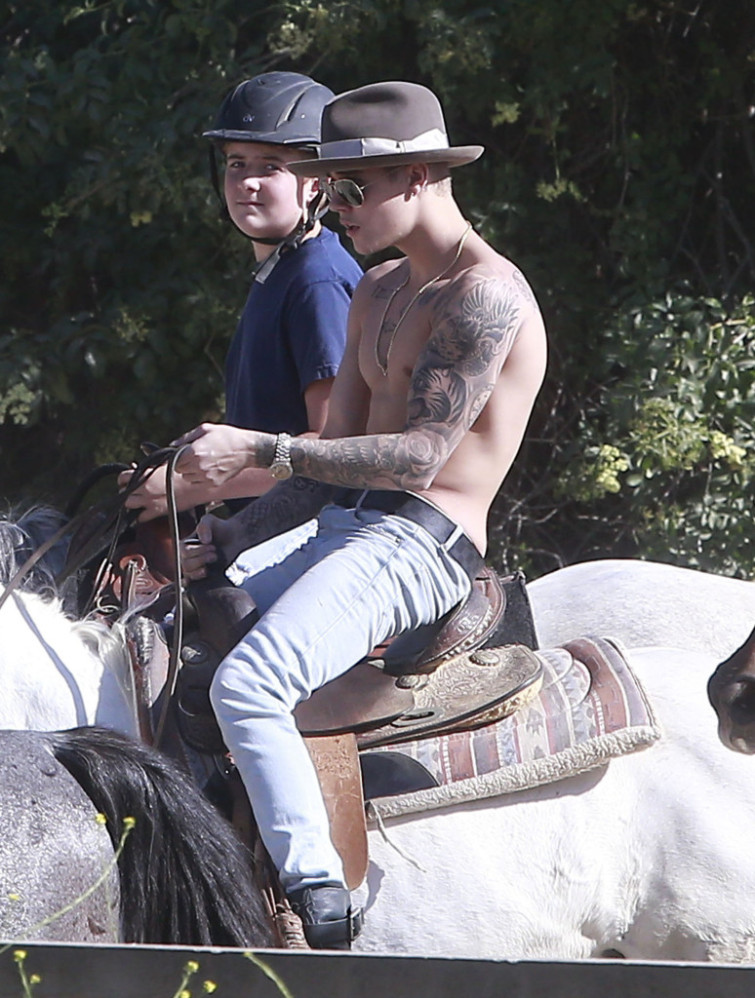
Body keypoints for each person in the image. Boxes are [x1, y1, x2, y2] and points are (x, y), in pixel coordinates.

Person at [174, 81, 548, 948]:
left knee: (251, 683)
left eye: (350, 188)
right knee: (168, 632)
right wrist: (231, 535)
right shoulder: (377, 292)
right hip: (345, 531)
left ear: (417, 176)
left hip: (424, 544)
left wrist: (258, 450)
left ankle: (322, 904)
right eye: (328, 186)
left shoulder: (485, 296)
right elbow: (330, 456)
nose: (333, 206)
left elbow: (420, 455)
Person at [121, 72, 362, 522]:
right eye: (236, 163)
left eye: (270, 165)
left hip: (313, 536)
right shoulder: (280, 271)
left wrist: (185, 489)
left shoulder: (317, 281)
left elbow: (333, 447)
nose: (248, 181)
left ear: (315, 183)